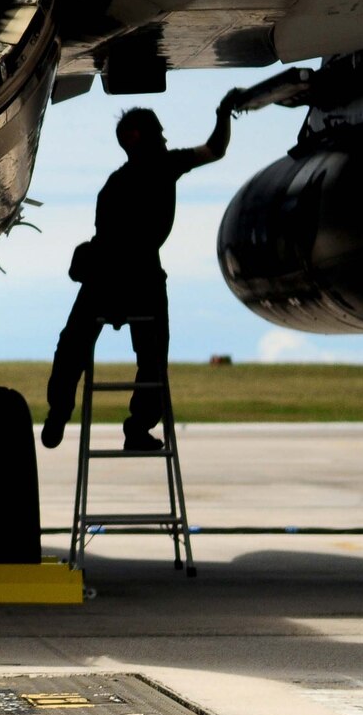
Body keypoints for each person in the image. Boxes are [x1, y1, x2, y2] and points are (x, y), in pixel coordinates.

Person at [42, 91, 242, 452]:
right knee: (151, 359)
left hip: (102, 277)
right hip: (142, 278)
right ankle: (137, 429)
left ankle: (59, 408)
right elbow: (216, 149)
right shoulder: (164, 164)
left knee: (72, 344)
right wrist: (223, 110)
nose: (165, 138)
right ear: (141, 137)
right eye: (158, 133)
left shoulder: (113, 184)